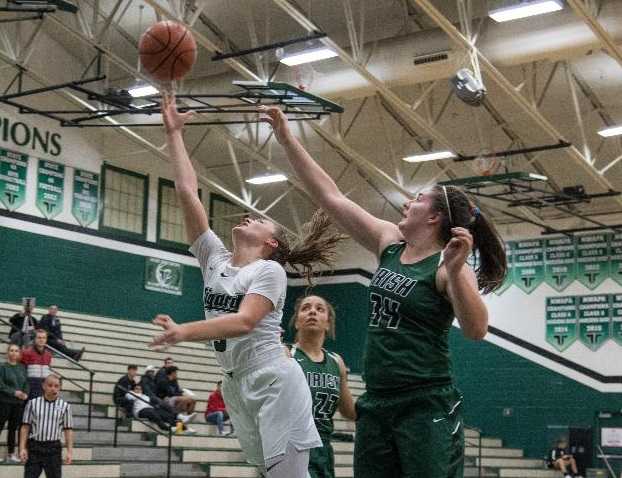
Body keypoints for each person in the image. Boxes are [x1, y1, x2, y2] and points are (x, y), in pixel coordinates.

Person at [262, 106, 507, 478]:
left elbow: (476, 330)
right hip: (376, 399)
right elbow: (332, 197)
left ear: (434, 217)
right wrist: (286, 137)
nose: (407, 203)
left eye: (418, 199)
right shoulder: (389, 243)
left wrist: (457, 271)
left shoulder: (446, 266)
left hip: (425, 403)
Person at [150, 94, 346, 478]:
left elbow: (244, 322)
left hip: (272, 378)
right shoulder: (215, 259)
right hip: (235, 384)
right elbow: (187, 191)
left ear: (271, 243)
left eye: (260, 219)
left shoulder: (269, 272)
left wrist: (183, 331)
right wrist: (174, 134)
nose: (249, 216)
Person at [290, 295, 357, 478]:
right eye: (306, 308)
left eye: (320, 309)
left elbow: (349, 412)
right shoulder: (285, 355)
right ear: (297, 322)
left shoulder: (337, 362)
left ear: (328, 323)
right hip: (291, 448)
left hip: (323, 452)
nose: (312, 311)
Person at [19, 374, 73, 478]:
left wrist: (69, 451)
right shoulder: (32, 403)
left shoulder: (65, 406)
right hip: (35, 447)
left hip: (54, 448)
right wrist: (22, 448)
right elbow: (25, 427)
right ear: (43, 386)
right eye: (50, 385)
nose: (53, 388)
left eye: (56, 386)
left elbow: (68, 430)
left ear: (60, 388)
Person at [0, 344, 29, 463]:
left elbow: (26, 383)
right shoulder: (2, 367)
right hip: (4, 402)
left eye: (16, 351)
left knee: (13, 429)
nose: (13, 353)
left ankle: (11, 454)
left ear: (19, 354)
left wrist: (25, 393)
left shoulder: (22, 367)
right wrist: (14, 392)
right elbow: (1, 385)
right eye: (11, 350)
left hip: (18, 403)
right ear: (7, 353)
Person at [20, 330, 52, 399]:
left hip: (44, 385)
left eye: (44, 338)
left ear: (46, 339)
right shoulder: (26, 352)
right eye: (39, 338)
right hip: (31, 385)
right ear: (34, 339)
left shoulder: (48, 354)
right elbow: (21, 371)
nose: (41, 340)